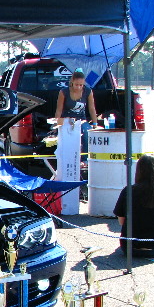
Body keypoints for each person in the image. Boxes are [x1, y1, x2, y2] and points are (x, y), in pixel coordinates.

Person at [53, 69, 98, 214]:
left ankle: (84, 158)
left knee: (86, 132)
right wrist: (58, 124)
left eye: (81, 85)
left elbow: (91, 108)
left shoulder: (88, 91)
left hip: (82, 120)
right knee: (69, 134)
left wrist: (95, 123)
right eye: (77, 84)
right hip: (68, 120)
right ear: (72, 82)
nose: (79, 87)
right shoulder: (64, 92)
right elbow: (59, 110)